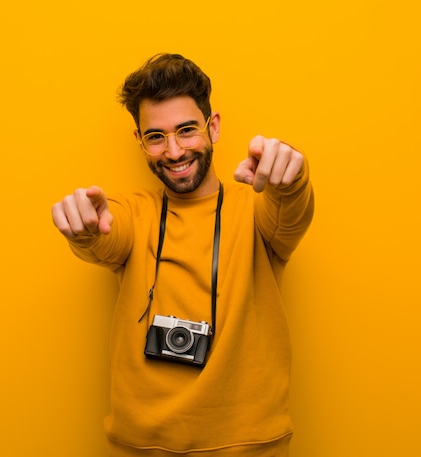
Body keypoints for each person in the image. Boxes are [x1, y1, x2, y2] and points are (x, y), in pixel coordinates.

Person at [51, 53, 314, 457]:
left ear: (214, 127)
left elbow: (290, 212)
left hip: (250, 445)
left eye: (186, 130)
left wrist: (291, 178)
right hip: (139, 445)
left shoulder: (257, 210)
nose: (173, 151)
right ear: (140, 141)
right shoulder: (131, 213)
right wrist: (85, 226)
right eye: (156, 136)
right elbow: (106, 237)